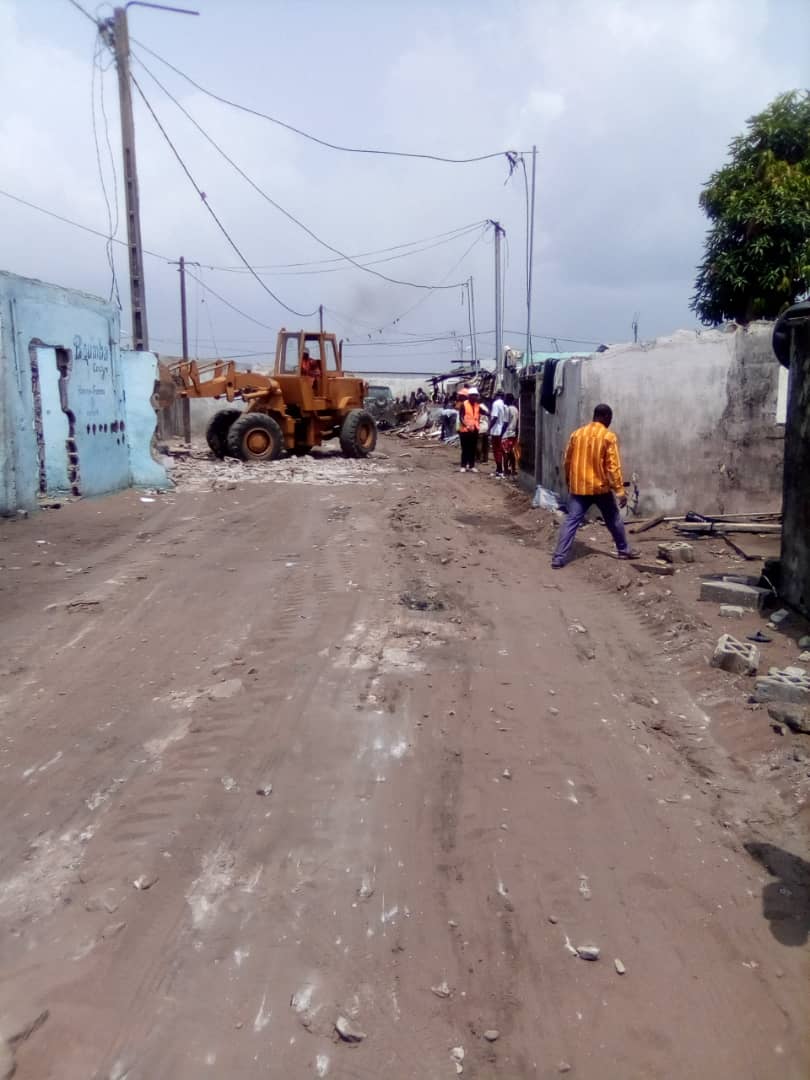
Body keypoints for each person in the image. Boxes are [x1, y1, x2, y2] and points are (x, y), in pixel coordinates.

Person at [551, 403, 641, 569]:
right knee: (613, 518)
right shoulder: (608, 437)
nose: (610, 422)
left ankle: (558, 558)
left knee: (571, 521)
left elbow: (567, 461)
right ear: (605, 417)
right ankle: (624, 550)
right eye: (610, 419)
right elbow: (613, 467)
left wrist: (569, 481)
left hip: (579, 489)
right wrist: (620, 491)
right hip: (600, 488)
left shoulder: (577, 434)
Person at [457, 387, 480, 472]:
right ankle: (463, 465)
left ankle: (471, 465)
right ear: (469, 396)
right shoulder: (464, 404)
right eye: (473, 396)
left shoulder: (478, 405)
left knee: (473, 448)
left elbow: (484, 413)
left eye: (476, 396)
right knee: (465, 448)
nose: (475, 397)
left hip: (474, 430)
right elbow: (461, 417)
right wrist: (466, 426)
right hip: (465, 430)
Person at [489, 389, 507, 477]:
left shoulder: (496, 404)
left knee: (496, 451)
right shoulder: (504, 405)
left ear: (496, 395)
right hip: (501, 430)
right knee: (500, 451)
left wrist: (489, 428)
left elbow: (495, 417)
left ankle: (499, 470)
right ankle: (499, 470)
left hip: (496, 431)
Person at [502, 393, 519, 477]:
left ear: (507, 400)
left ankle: (505, 471)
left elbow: (505, 423)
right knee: (511, 453)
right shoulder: (516, 409)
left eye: (505, 398)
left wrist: (501, 433)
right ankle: (513, 469)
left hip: (507, 433)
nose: (504, 400)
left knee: (505, 453)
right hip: (513, 434)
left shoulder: (507, 409)